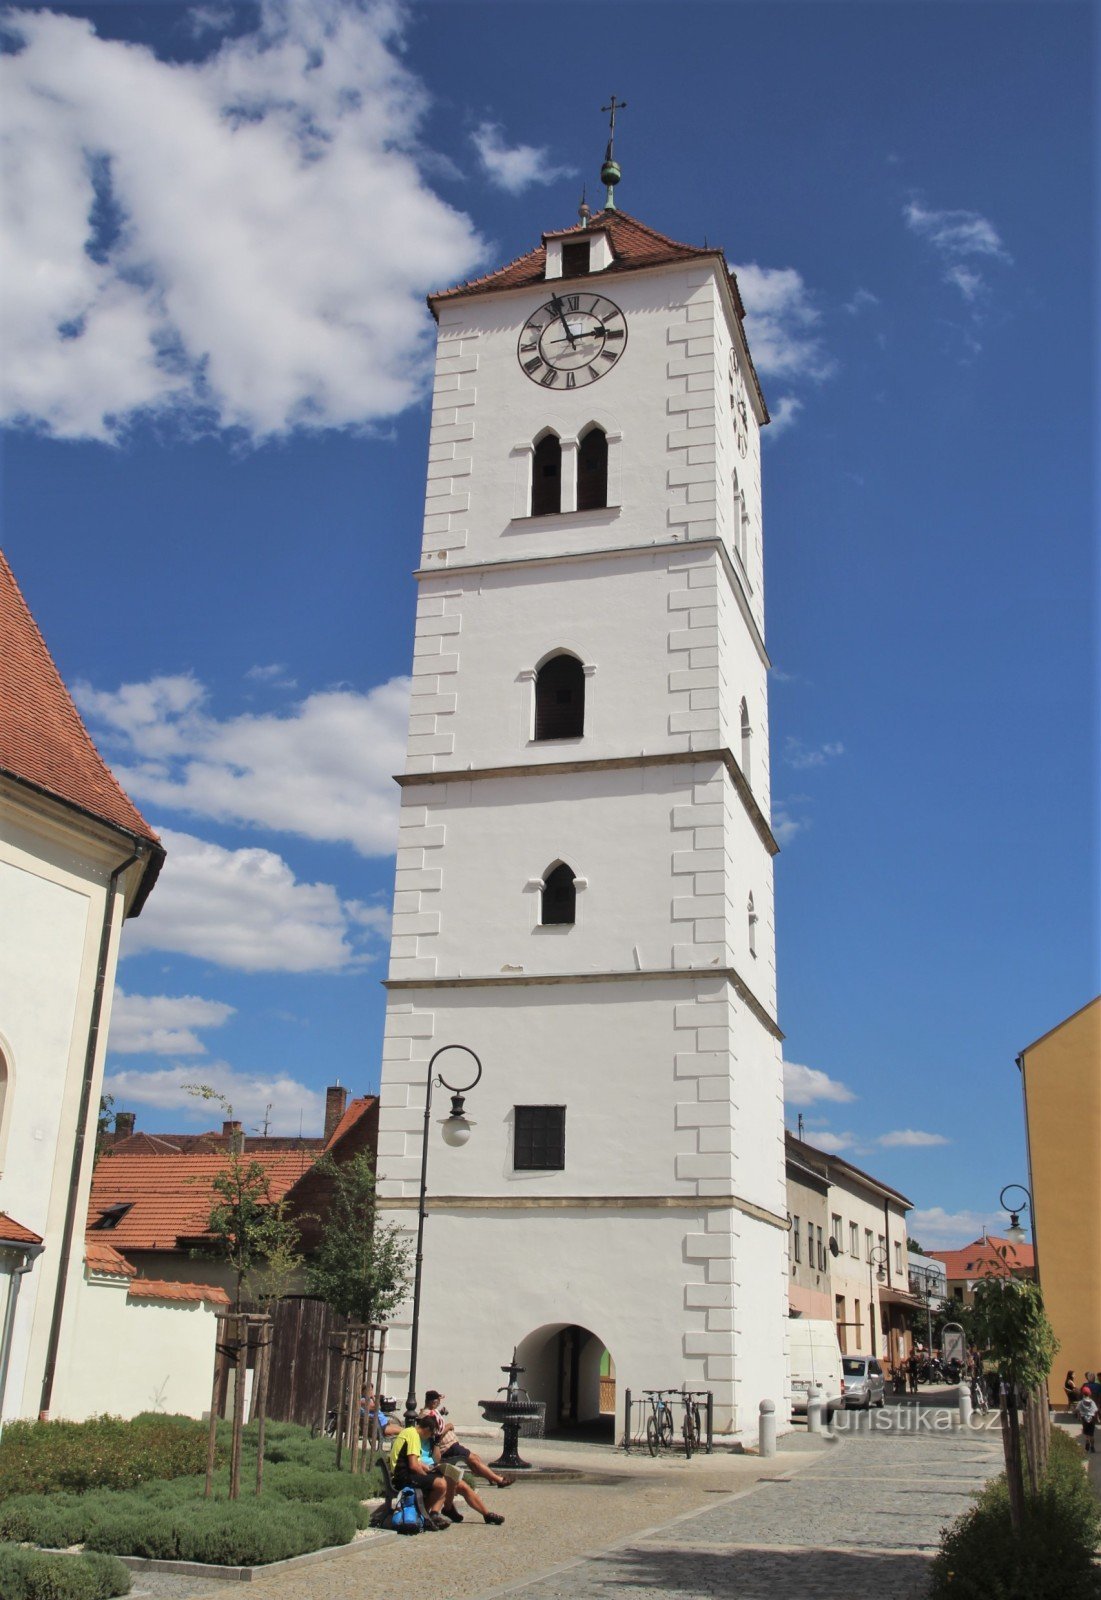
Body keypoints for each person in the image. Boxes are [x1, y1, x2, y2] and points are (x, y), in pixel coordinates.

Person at [424, 1389, 514, 1489]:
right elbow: (435, 1434)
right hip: (447, 1447)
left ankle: (491, 1477)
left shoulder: (432, 1411)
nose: (439, 1403)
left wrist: (441, 1412)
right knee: (474, 1459)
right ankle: (499, 1480)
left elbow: (436, 1421)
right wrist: (448, 1426)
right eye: (438, 1401)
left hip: (452, 1444)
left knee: (475, 1458)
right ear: (433, 1402)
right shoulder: (427, 1415)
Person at [389, 1415, 449, 1529]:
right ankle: (423, 1515)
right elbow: (413, 1465)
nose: (430, 1437)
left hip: (402, 1472)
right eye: (431, 1434)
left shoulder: (409, 1431)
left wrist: (426, 1468)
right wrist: (426, 1475)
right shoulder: (414, 1436)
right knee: (441, 1484)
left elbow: (414, 1460)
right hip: (402, 1476)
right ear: (427, 1429)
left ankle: (430, 1515)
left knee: (443, 1478)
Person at [1076, 1389, 1098, 1454]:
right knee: (1092, 1434)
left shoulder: (1081, 1402)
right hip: (1092, 1419)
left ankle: (1087, 1447)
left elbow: (1077, 1409)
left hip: (1084, 1419)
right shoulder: (1092, 1402)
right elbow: (1096, 1410)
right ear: (1090, 1394)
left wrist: (1079, 1415)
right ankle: (1092, 1447)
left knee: (1087, 1434)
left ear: (1083, 1394)